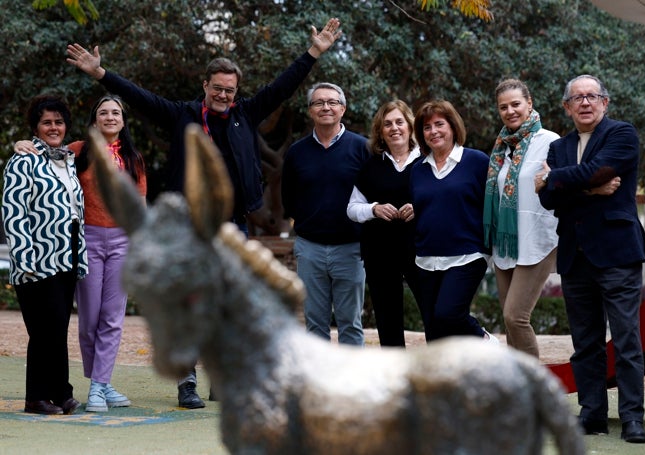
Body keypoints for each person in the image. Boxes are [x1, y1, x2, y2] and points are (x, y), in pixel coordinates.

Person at [66, 18, 342, 408]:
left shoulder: (247, 112)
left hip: (233, 226)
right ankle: (187, 382)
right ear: (205, 86)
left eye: (230, 90)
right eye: (218, 89)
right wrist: (101, 75)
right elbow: (139, 97)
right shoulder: (182, 115)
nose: (224, 96)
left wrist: (313, 53)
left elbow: (283, 87)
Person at [16, 95, 148, 412]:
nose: (110, 117)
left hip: (122, 242)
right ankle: (100, 381)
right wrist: (22, 143)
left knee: (113, 319)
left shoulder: (134, 158)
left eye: (116, 112)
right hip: (85, 241)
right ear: (94, 120)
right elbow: (44, 153)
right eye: (103, 112)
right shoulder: (77, 151)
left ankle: (99, 387)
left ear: (123, 120)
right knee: (89, 320)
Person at [536, 75, 645, 443]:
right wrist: (590, 186)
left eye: (592, 96)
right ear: (567, 107)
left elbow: (598, 172)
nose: (585, 103)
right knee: (585, 343)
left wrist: (560, 181)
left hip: (617, 254)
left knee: (627, 340)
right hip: (574, 256)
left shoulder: (622, 134)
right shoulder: (559, 147)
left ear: (605, 102)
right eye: (577, 98)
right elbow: (549, 200)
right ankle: (592, 414)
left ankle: (632, 417)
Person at [2, 94, 88, 415]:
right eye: (46, 122)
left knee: (58, 327)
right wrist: (25, 261)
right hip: (36, 258)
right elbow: (14, 212)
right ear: (36, 127)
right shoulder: (23, 161)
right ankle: (36, 397)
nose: (54, 127)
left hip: (68, 255)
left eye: (59, 122)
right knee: (42, 330)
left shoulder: (67, 159)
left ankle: (61, 392)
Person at [282, 82, 370, 345]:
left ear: (343, 109)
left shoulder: (363, 148)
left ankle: (351, 385)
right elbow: (288, 197)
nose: (326, 107)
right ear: (310, 111)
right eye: (319, 102)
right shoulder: (297, 152)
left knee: (351, 325)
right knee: (315, 326)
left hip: (352, 249)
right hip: (310, 249)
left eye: (332, 102)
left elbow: (373, 194)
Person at [482, 79, 559, 358]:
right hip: (505, 241)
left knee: (516, 317)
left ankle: (534, 392)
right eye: (503, 107)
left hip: (538, 237)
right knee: (508, 320)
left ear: (530, 104)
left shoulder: (550, 142)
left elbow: (565, 184)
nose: (510, 111)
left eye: (516, 104)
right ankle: (517, 390)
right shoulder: (502, 147)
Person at [410, 100, 496, 343]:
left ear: (453, 127)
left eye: (439, 124)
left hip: (467, 254)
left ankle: (486, 342)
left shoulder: (477, 161)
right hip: (426, 257)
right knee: (434, 329)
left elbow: (492, 204)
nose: (433, 131)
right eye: (427, 127)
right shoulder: (418, 170)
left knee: (448, 313)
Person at [346, 100, 421, 347]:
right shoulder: (370, 166)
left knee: (435, 315)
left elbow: (444, 199)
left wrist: (420, 208)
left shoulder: (428, 161)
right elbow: (352, 208)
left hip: (422, 251)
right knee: (388, 323)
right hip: (380, 254)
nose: (394, 128)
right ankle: (397, 379)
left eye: (400, 122)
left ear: (410, 126)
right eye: (387, 124)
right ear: (380, 131)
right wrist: (374, 209)